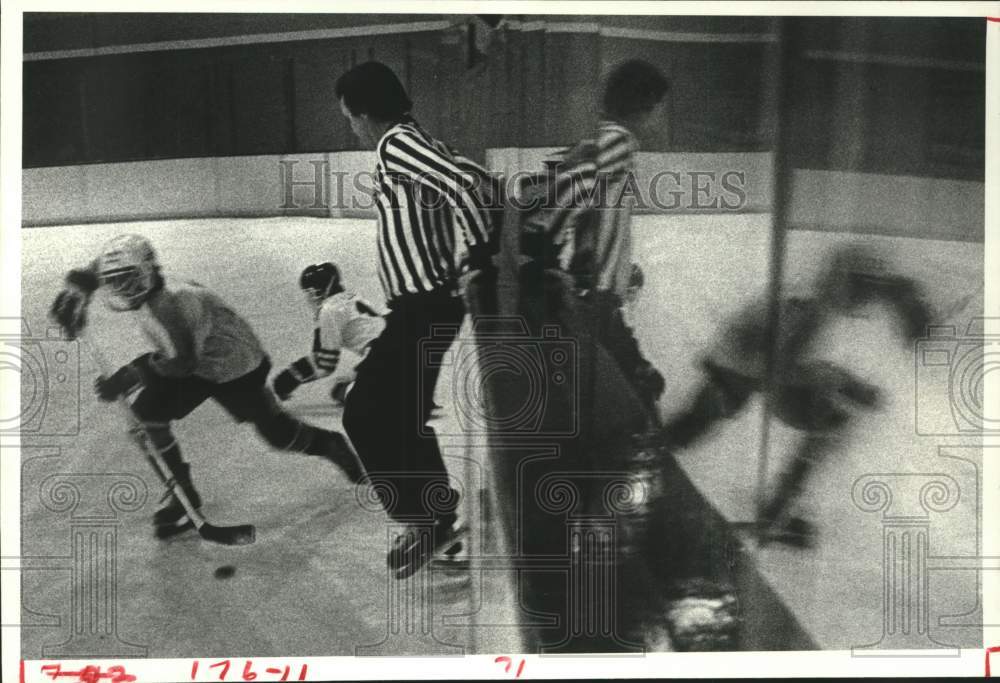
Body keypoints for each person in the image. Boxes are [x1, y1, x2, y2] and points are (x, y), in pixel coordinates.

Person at [49, 234, 363, 539]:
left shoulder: (169, 304)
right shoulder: (147, 284)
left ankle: (331, 445)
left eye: (128, 279)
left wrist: (130, 374)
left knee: (277, 434)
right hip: (196, 362)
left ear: (146, 272)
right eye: (116, 280)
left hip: (236, 366)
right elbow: (101, 268)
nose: (122, 288)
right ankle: (182, 492)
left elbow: (181, 363)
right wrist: (77, 292)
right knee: (146, 415)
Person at [334, 61, 497, 579]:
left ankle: (423, 521)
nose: (352, 129)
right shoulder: (415, 138)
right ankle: (437, 520)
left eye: (350, 118)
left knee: (363, 413)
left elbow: (465, 189)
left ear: (365, 112)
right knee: (401, 417)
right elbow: (474, 177)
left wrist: (481, 256)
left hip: (423, 307)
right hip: (424, 307)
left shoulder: (395, 143)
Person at [660, 241, 933, 546]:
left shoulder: (818, 298)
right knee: (825, 420)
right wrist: (841, 380)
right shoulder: (812, 309)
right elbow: (782, 369)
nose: (862, 306)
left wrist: (907, 307)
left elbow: (882, 285)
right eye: (861, 296)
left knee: (701, 421)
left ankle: (773, 508)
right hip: (743, 365)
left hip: (742, 361)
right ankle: (774, 511)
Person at [538, 59, 670, 427]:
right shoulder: (618, 142)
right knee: (636, 389)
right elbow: (566, 192)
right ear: (646, 105)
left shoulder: (604, 138)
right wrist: (546, 249)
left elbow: (573, 188)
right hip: (594, 295)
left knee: (627, 384)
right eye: (660, 107)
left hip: (597, 292)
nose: (661, 117)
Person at [271, 262, 385, 407]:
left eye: (311, 292)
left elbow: (325, 364)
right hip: (397, 345)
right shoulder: (352, 296)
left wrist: (287, 380)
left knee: (347, 393)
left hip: (384, 356)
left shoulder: (330, 310)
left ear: (321, 290)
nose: (309, 298)